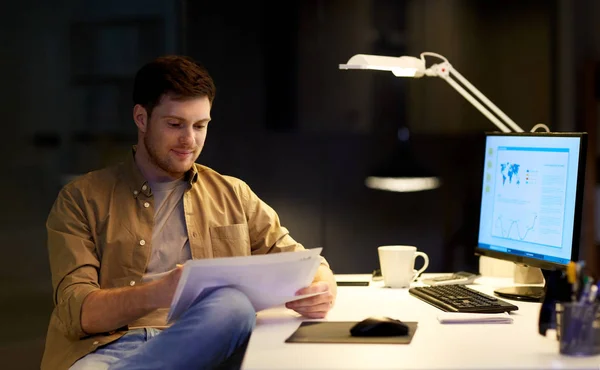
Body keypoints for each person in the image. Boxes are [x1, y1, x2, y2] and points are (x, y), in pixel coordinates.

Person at [41, 55, 337, 370]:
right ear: (141, 118)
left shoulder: (232, 193)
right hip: (108, 350)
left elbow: (305, 261)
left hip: (208, 345)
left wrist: (323, 286)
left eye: (200, 126)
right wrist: (163, 292)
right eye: (175, 124)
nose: (189, 140)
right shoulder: (81, 199)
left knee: (233, 306)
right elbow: (79, 313)